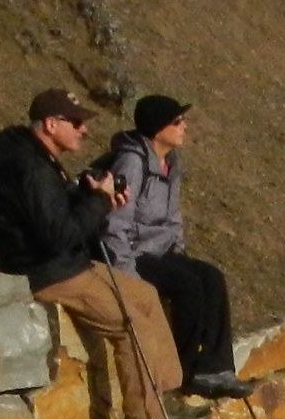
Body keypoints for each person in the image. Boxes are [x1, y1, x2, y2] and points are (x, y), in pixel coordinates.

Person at [0, 86, 189, 419]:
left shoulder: (40, 158)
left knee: (145, 296)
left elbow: (54, 217)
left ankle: (164, 396)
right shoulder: (29, 167)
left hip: (68, 261)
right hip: (48, 270)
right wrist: (98, 201)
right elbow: (57, 235)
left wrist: (90, 197)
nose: (84, 131)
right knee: (129, 323)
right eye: (76, 123)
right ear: (51, 124)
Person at [97, 95, 249, 400]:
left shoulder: (170, 163)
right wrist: (126, 273)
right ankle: (188, 370)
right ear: (157, 128)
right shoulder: (132, 162)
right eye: (177, 121)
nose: (184, 126)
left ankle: (217, 367)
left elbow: (173, 213)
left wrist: (178, 246)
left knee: (211, 277)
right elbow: (115, 222)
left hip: (161, 250)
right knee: (188, 286)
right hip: (135, 252)